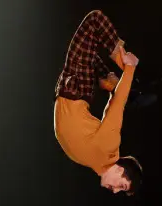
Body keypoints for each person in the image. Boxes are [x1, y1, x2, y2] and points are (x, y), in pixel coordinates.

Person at [53, 10, 145, 195]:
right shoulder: (109, 147)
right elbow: (118, 107)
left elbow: (110, 109)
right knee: (94, 20)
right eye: (122, 186)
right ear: (120, 170)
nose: (115, 191)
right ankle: (123, 61)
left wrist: (113, 91)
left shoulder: (95, 161)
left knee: (89, 54)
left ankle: (110, 81)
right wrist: (128, 68)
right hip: (77, 87)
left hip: (72, 88)